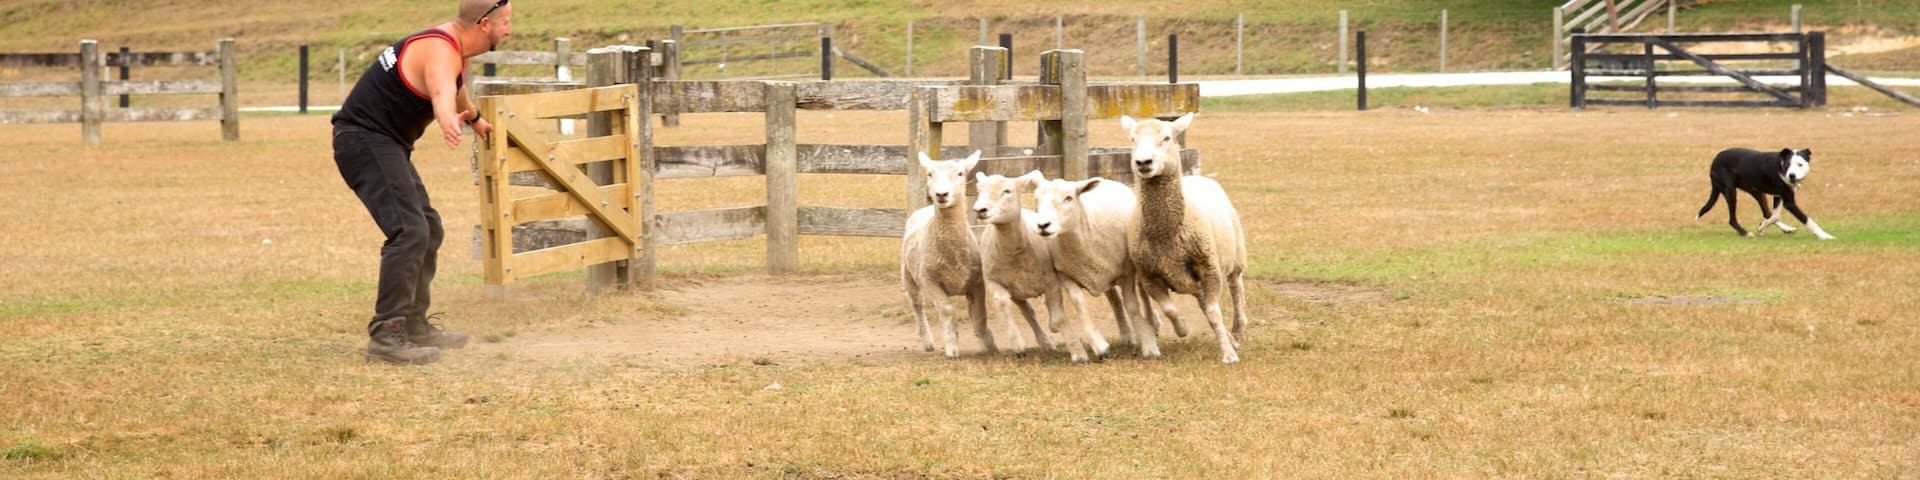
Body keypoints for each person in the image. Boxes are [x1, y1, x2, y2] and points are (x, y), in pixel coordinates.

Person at [331, 0, 513, 364]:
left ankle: (413, 325)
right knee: (409, 230)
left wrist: (472, 118)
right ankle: (387, 335)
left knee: (428, 227)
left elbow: (454, 84)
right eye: (505, 22)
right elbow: (442, 87)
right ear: (483, 24)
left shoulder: (452, 46)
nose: (509, 29)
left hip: (382, 142)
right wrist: (446, 117)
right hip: (363, 139)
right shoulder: (441, 50)